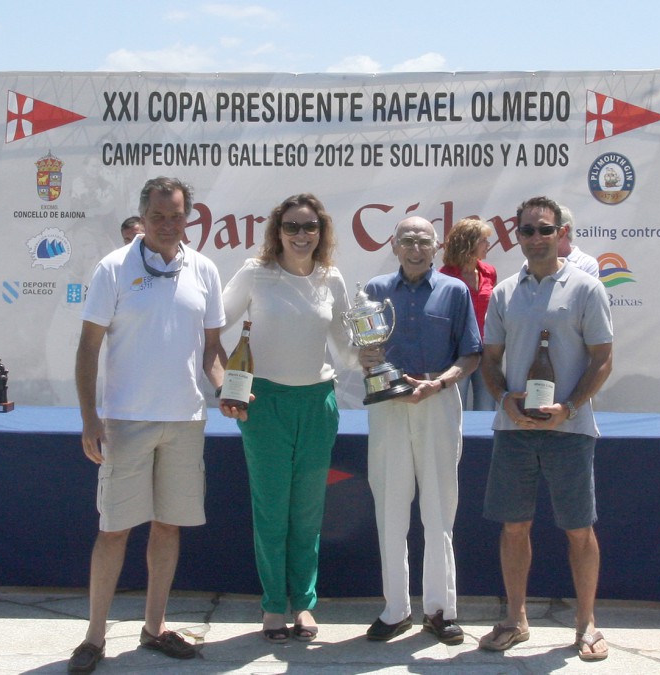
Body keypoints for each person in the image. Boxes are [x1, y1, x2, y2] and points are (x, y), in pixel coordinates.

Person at [69, 177, 226, 674]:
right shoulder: (113, 268)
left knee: (167, 527)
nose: (166, 225)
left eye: (176, 216)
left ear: (189, 217)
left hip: (185, 420)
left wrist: (230, 391)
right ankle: (94, 638)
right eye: (158, 216)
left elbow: (213, 351)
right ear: (142, 216)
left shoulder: (204, 269)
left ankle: (154, 629)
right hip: (125, 421)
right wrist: (90, 418)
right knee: (113, 529)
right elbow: (88, 348)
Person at [478, 196, 613, 661]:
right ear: (517, 236)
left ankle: (587, 623)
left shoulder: (586, 288)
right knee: (514, 526)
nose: (536, 238)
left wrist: (570, 407)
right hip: (514, 429)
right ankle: (516, 619)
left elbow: (603, 358)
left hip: (569, 430)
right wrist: (503, 401)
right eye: (528, 230)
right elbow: (489, 362)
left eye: (545, 229)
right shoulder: (504, 293)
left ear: (561, 234)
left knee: (579, 529)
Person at [219, 193, 354, 644]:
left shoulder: (331, 278)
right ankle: (274, 604)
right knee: (272, 508)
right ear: (277, 231)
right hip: (264, 403)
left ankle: (304, 604)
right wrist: (224, 382)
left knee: (308, 510)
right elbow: (212, 325)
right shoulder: (256, 273)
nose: (301, 235)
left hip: (318, 403)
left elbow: (347, 345)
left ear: (322, 231)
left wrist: (374, 355)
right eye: (292, 226)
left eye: (310, 226)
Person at [358, 216, 482, 645]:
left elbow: (470, 354)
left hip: (438, 400)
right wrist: (370, 362)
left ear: (436, 247)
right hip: (388, 405)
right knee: (390, 509)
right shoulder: (374, 291)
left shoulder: (454, 291)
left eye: (423, 242)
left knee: (439, 511)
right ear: (394, 245)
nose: (415, 249)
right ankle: (395, 609)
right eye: (407, 241)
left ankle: (440, 610)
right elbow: (364, 350)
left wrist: (441, 382)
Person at [438, 217, 498, 411]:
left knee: (486, 407)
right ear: (469, 243)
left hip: (486, 350)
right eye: (483, 240)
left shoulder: (489, 272)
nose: (488, 245)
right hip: (458, 353)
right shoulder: (444, 275)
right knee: (457, 407)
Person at [558, 205, 600, 277]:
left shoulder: (586, 263)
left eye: (546, 230)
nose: (539, 236)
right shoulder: (535, 260)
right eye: (531, 231)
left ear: (565, 230)